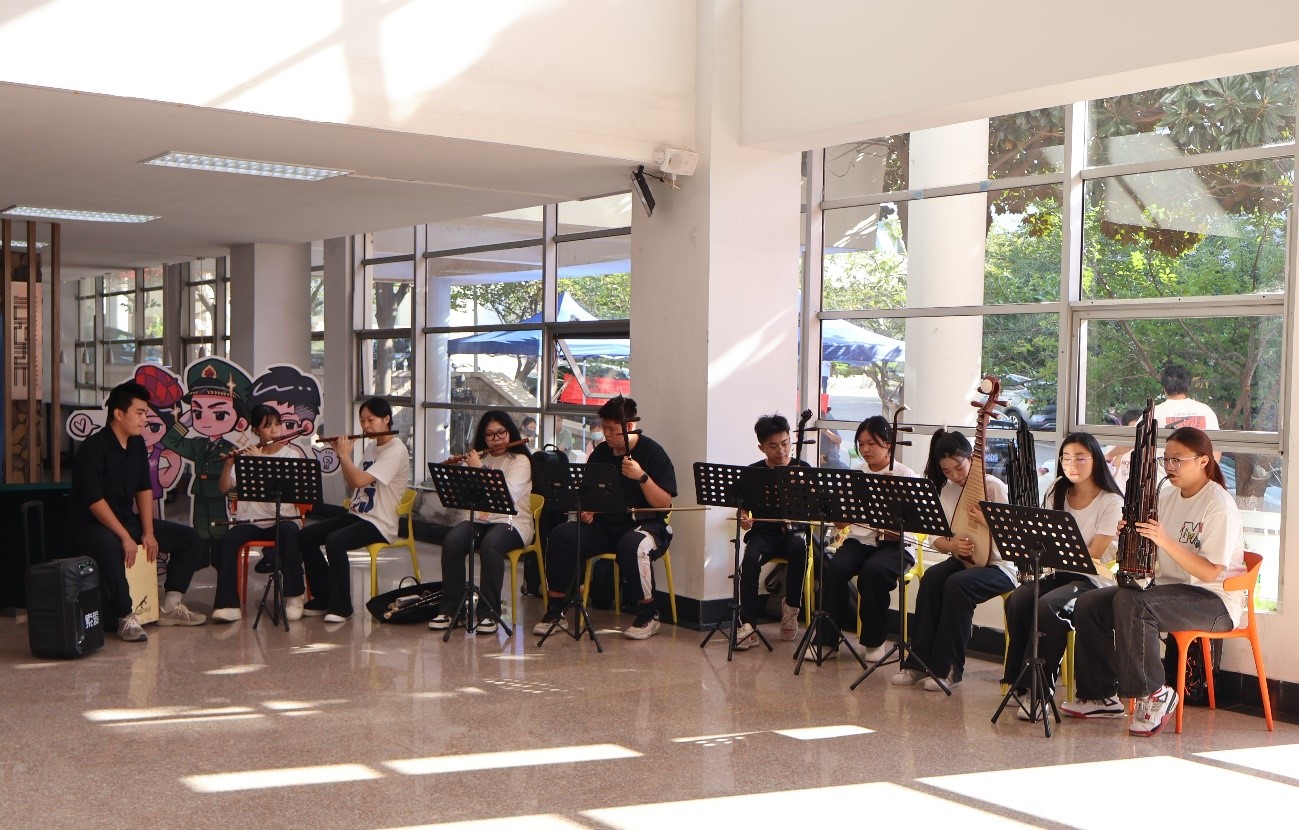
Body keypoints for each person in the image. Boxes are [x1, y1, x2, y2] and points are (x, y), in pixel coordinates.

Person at [1061, 427, 1247, 737]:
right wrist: (1130, 532)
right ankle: (1100, 696)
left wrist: (1163, 539)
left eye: (1178, 460)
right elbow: (1150, 549)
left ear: (1203, 461)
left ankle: (1155, 693)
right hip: (1166, 590)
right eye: (1166, 460)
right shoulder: (1166, 495)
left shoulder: (1218, 504)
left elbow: (1210, 572)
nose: (1170, 467)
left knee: (1133, 603)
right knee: (1091, 602)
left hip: (1215, 601)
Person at [70, 381, 207, 641]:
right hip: (92, 525)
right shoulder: (93, 447)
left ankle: (170, 606)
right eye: (140, 413)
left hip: (125, 519)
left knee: (189, 539)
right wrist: (125, 536)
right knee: (112, 547)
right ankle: (125, 617)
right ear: (119, 414)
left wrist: (148, 531)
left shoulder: (136, 445)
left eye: (146, 413)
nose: (145, 419)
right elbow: (94, 501)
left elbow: (143, 488)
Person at [1000, 433, 1123, 715]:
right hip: (1060, 573)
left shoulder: (1111, 501)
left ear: (1096, 460)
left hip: (1092, 579)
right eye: (1066, 458)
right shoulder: (1057, 490)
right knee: (1019, 599)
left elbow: (1095, 553)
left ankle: (1040, 692)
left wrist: (1058, 551)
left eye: (1080, 458)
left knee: (1048, 606)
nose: (1072, 464)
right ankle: (1021, 685)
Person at [535, 396, 677, 640]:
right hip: (605, 526)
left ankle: (649, 614)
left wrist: (642, 477)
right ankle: (556, 610)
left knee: (633, 544)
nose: (606, 435)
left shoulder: (653, 453)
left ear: (630, 426)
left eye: (612, 429)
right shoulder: (601, 452)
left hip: (646, 526)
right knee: (561, 535)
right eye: (604, 428)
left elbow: (664, 503)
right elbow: (588, 494)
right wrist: (588, 509)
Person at [893, 429, 1015, 691]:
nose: (955, 476)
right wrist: (952, 546)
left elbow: (1013, 539)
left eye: (959, 467)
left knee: (957, 584)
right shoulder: (947, 491)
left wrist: (988, 521)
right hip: (965, 561)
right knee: (932, 578)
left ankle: (948, 669)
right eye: (947, 471)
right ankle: (917, 663)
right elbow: (935, 539)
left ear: (971, 458)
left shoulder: (994, 487)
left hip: (999, 567)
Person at [816, 415, 920, 662]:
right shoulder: (857, 474)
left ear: (888, 444)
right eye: (861, 444)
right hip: (860, 542)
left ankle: (874, 642)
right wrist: (837, 514)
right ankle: (828, 640)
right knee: (835, 568)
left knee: (873, 572)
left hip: (895, 545)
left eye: (871, 443)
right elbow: (842, 521)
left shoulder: (905, 474)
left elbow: (915, 524)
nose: (865, 449)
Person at [298, 397, 411, 623]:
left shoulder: (396, 450)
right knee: (306, 536)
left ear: (386, 419)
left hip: (380, 522)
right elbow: (354, 484)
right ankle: (324, 597)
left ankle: (342, 606)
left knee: (336, 541)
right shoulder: (371, 447)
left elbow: (359, 480)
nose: (365, 426)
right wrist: (343, 457)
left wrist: (344, 455)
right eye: (362, 421)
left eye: (371, 420)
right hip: (358, 515)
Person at [428, 410, 534, 634]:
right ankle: (452, 610)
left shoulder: (520, 461)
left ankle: (489, 613)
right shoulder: (478, 458)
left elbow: (508, 495)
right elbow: (464, 494)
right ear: (482, 437)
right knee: (452, 542)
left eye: (501, 433)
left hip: (513, 521)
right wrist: (455, 472)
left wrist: (479, 468)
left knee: (491, 545)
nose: (496, 440)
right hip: (481, 519)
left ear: (510, 432)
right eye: (490, 435)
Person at [210, 404, 309, 623]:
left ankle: (294, 597)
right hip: (252, 521)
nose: (275, 430)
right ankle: (228, 604)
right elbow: (224, 487)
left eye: (277, 424)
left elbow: (289, 492)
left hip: (282, 519)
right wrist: (228, 466)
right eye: (267, 426)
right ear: (256, 430)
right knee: (228, 540)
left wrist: (260, 463)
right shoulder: (247, 454)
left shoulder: (290, 455)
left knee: (292, 534)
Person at [163, 357, 252, 566]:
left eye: (219, 414)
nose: (206, 420)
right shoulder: (198, 445)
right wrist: (184, 422)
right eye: (198, 412)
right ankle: (201, 559)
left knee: (219, 527)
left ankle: (220, 560)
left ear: (239, 421)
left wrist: (234, 499)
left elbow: (235, 475)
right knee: (200, 526)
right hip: (200, 491)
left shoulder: (231, 449)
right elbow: (170, 441)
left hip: (219, 492)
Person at [733, 414, 808, 649]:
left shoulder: (802, 469)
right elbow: (742, 506)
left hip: (794, 533)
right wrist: (743, 517)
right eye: (773, 446)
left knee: (799, 548)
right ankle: (748, 624)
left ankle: (791, 609)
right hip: (763, 534)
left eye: (785, 443)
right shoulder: (753, 472)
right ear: (762, 447)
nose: (781, 451)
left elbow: (816, 507)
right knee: (750, 562)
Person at [1153, 363, 1219, 431]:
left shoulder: (1153, 414)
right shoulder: (1206, 411)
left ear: (1164, 388)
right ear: (1188, 387)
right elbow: (1217, 437)